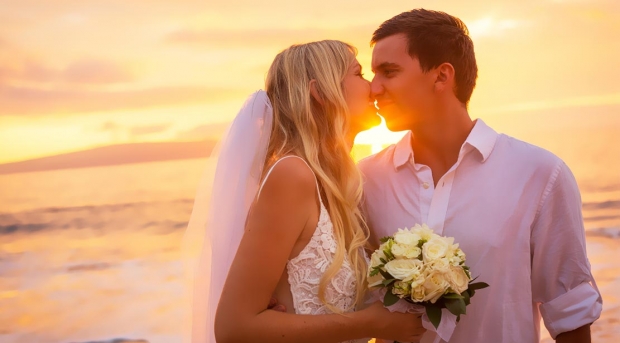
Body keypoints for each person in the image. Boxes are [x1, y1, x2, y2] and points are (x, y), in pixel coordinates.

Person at [359, 9, 603, 343]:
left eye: (389, 72)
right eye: (374, 74)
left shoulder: (539, 173)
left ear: (442, 77)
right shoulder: (364, 179)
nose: (374, 88)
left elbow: (569, 314)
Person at [186, 40, 426, 343]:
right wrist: (370, 324)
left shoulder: (341, 185)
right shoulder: (292, 175)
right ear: (320, 92)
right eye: (360, 74)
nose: (374, 87)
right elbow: (234, 328)